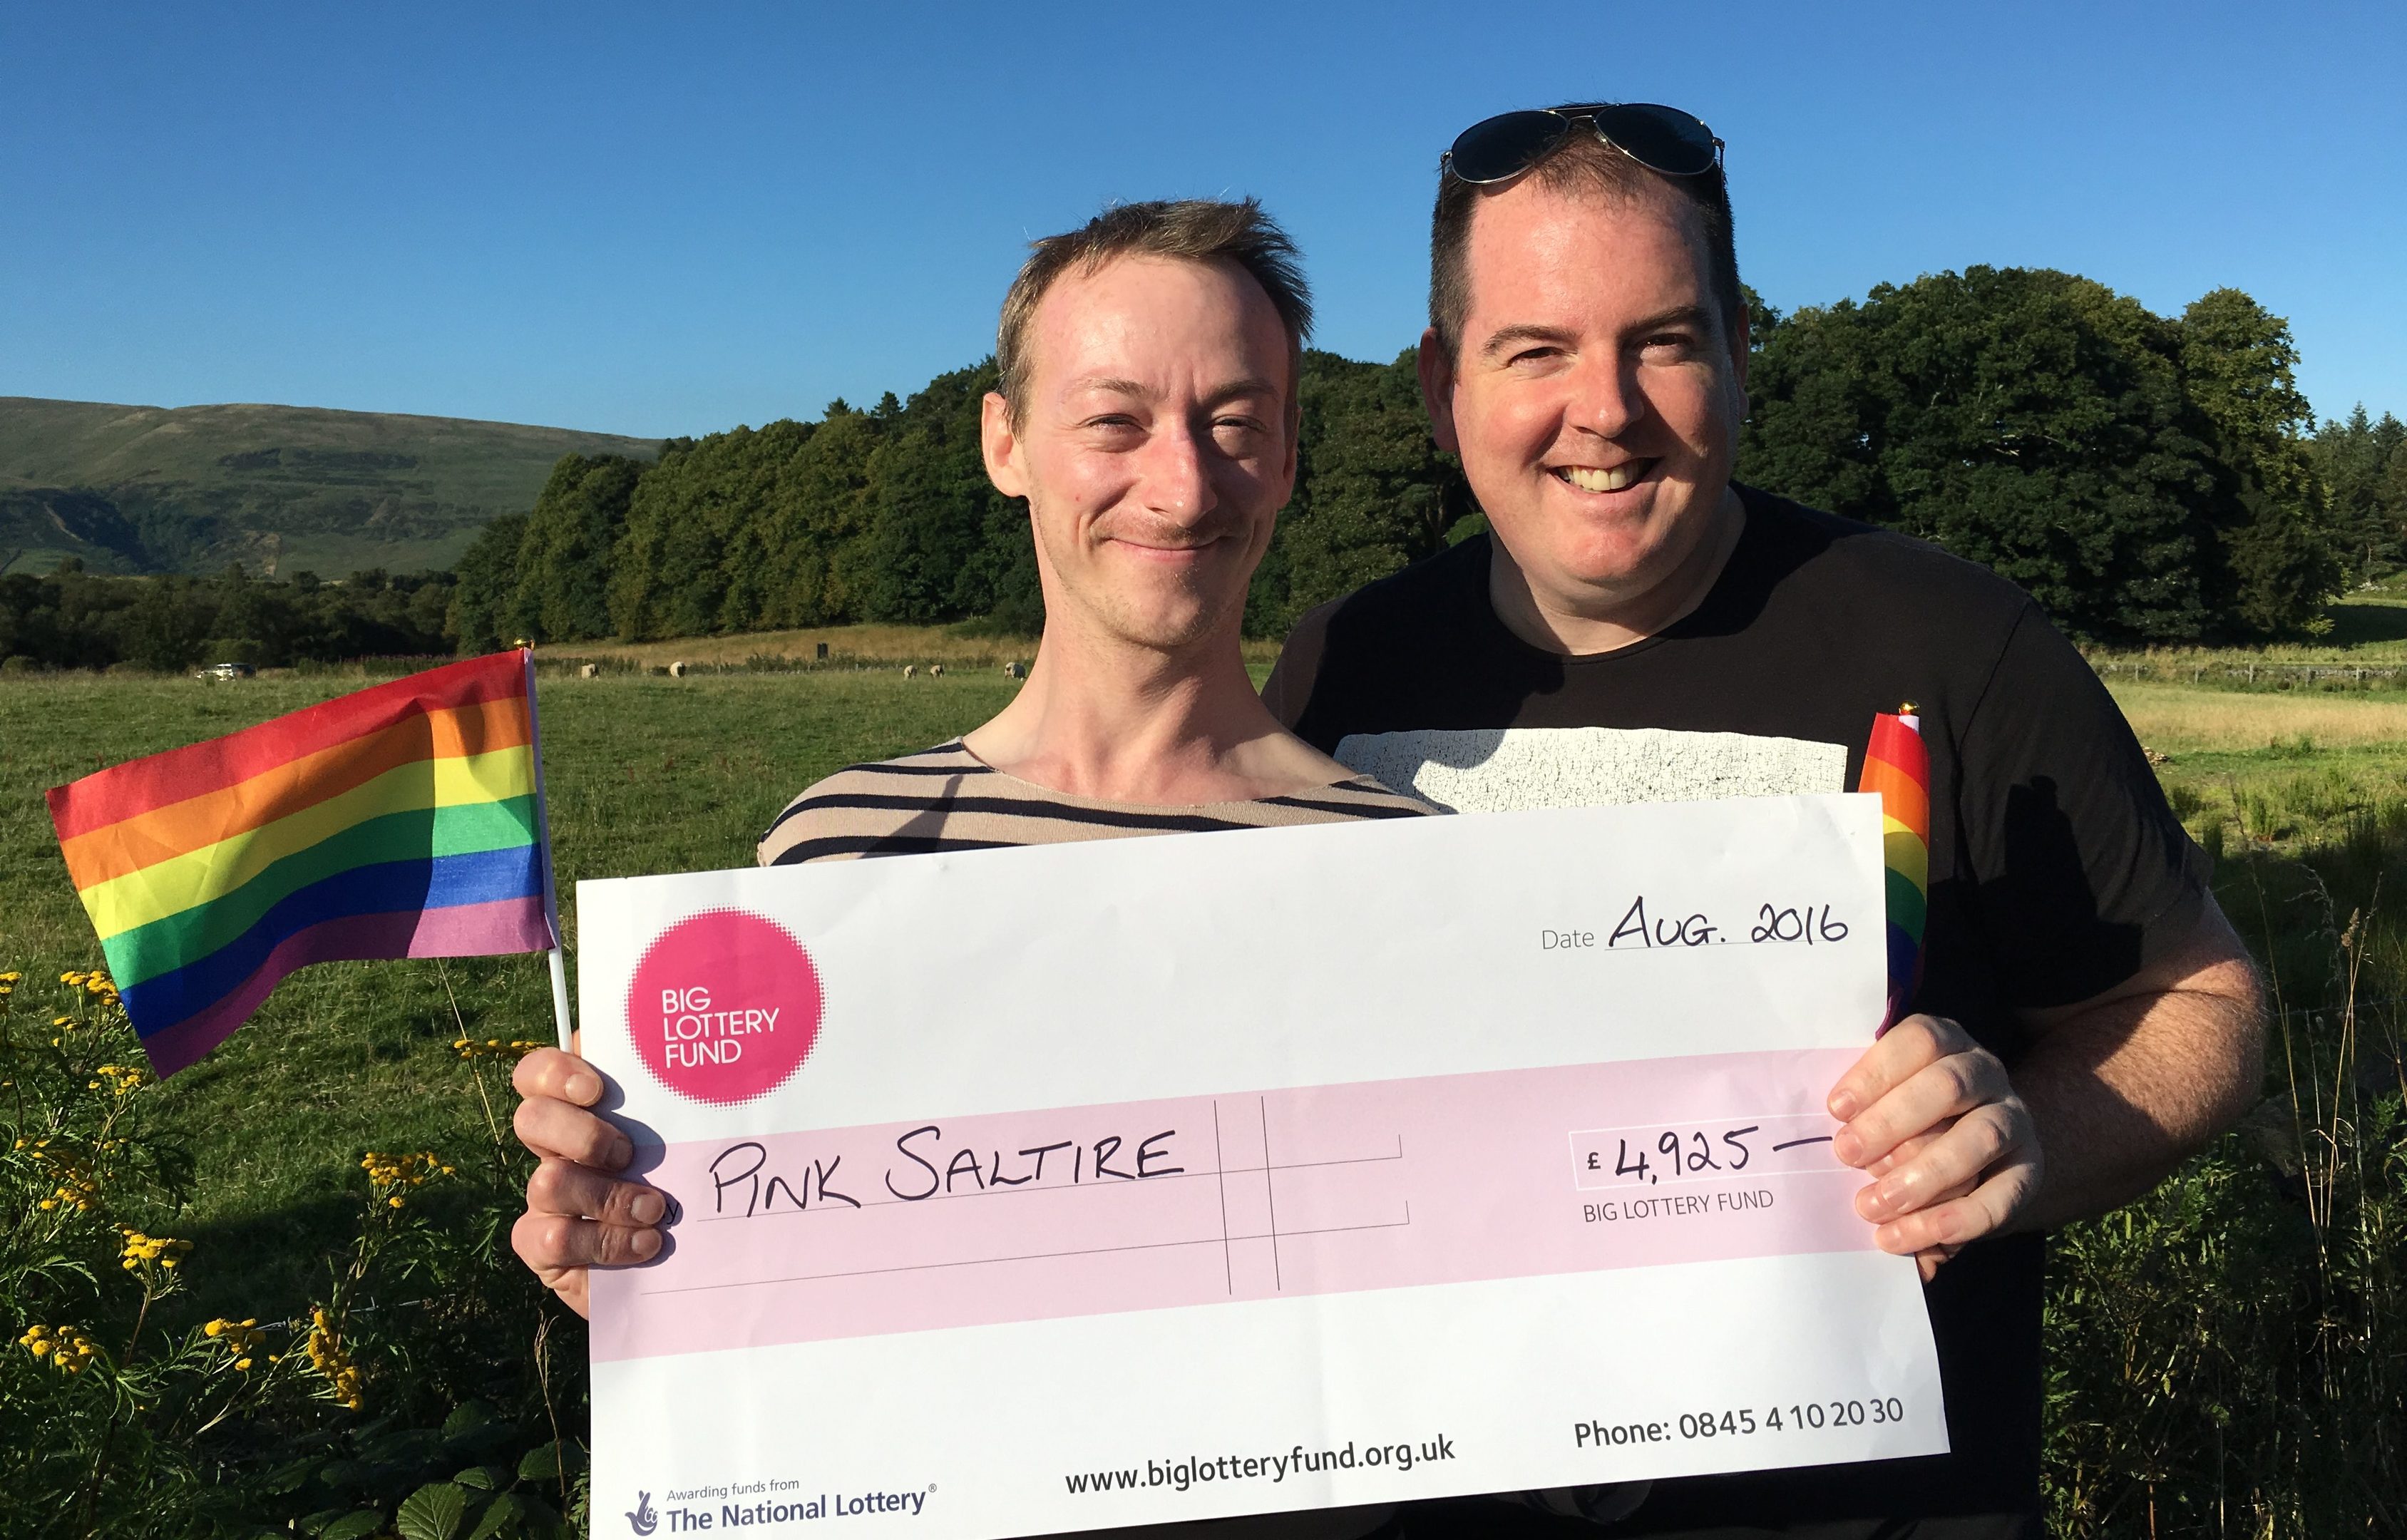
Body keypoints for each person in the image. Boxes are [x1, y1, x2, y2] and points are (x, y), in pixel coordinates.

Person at [1260, 103, 2267, 1537]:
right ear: (1438, 386)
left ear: (1739, 349)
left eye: (1660, 340)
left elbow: (2198, 997)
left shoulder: (1950, 641)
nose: (1602, 409)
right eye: (1531, 349)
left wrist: (2022, 1140)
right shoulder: (1342, 667)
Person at [508, 198, 1427, 1539]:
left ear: (1288, 458)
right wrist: (640, 1260)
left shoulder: (1418, 873)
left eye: (1235, 422)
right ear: (1007, 446)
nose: (1180, 481)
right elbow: (778, 1316)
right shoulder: (836, 854)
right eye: (1114, 420)